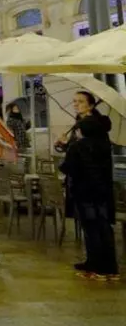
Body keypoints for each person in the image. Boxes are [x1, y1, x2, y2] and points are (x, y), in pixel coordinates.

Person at [61, 112, 119, 280]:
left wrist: (65, 146)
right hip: (101, 191)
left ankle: (96, 268)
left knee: (91, 229)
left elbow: (67, 167)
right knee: (104, 228)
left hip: (84, 192)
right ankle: (110, 268)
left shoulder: (78, 146)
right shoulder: (104, 145)